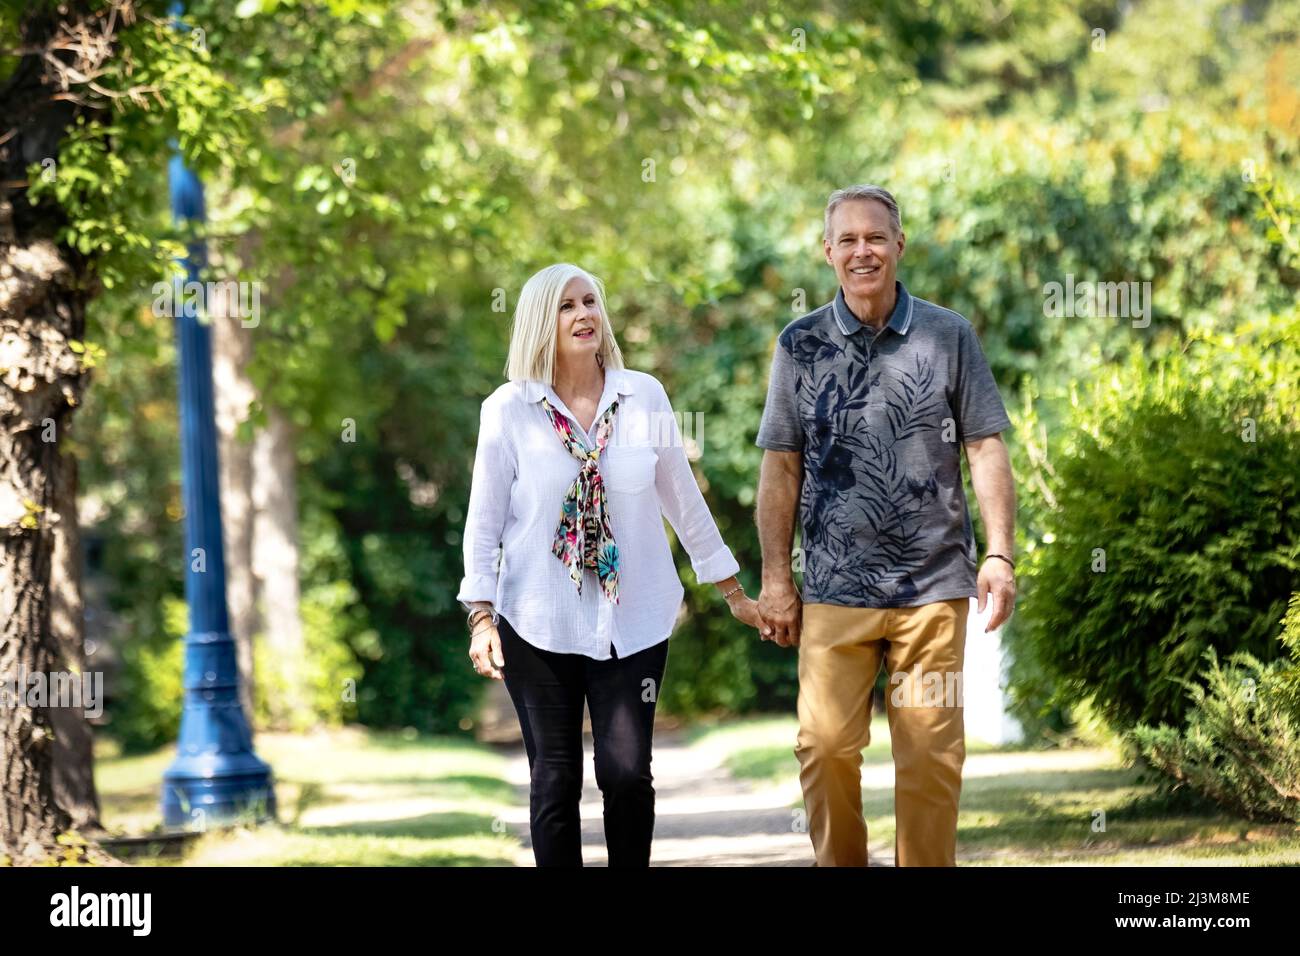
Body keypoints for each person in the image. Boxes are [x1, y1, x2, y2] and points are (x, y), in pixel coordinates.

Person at [458, 262, 764, 867]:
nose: (584, 315)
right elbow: (484, 520)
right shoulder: (508, 410)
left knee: (626, 773)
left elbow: (683, 500)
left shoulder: (641, 395)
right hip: (536, 619)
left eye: (590, 301)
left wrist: (735, 592)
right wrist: (481, 616)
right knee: (554, 781)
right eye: (567, 306)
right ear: (541, 322)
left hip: (634, 619)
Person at [754, 184, 1017, 867]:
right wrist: (777, 579)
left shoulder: (947, 334)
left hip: (932, 586)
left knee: (930, 756)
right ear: (828, 252)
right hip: (834, 588)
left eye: (875, 237)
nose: (862, 250)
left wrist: (1001, 555)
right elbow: (780, 468)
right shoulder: (799, 344)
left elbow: (985, 446)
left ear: (900, 245)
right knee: (824, 747)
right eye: (847, 239)